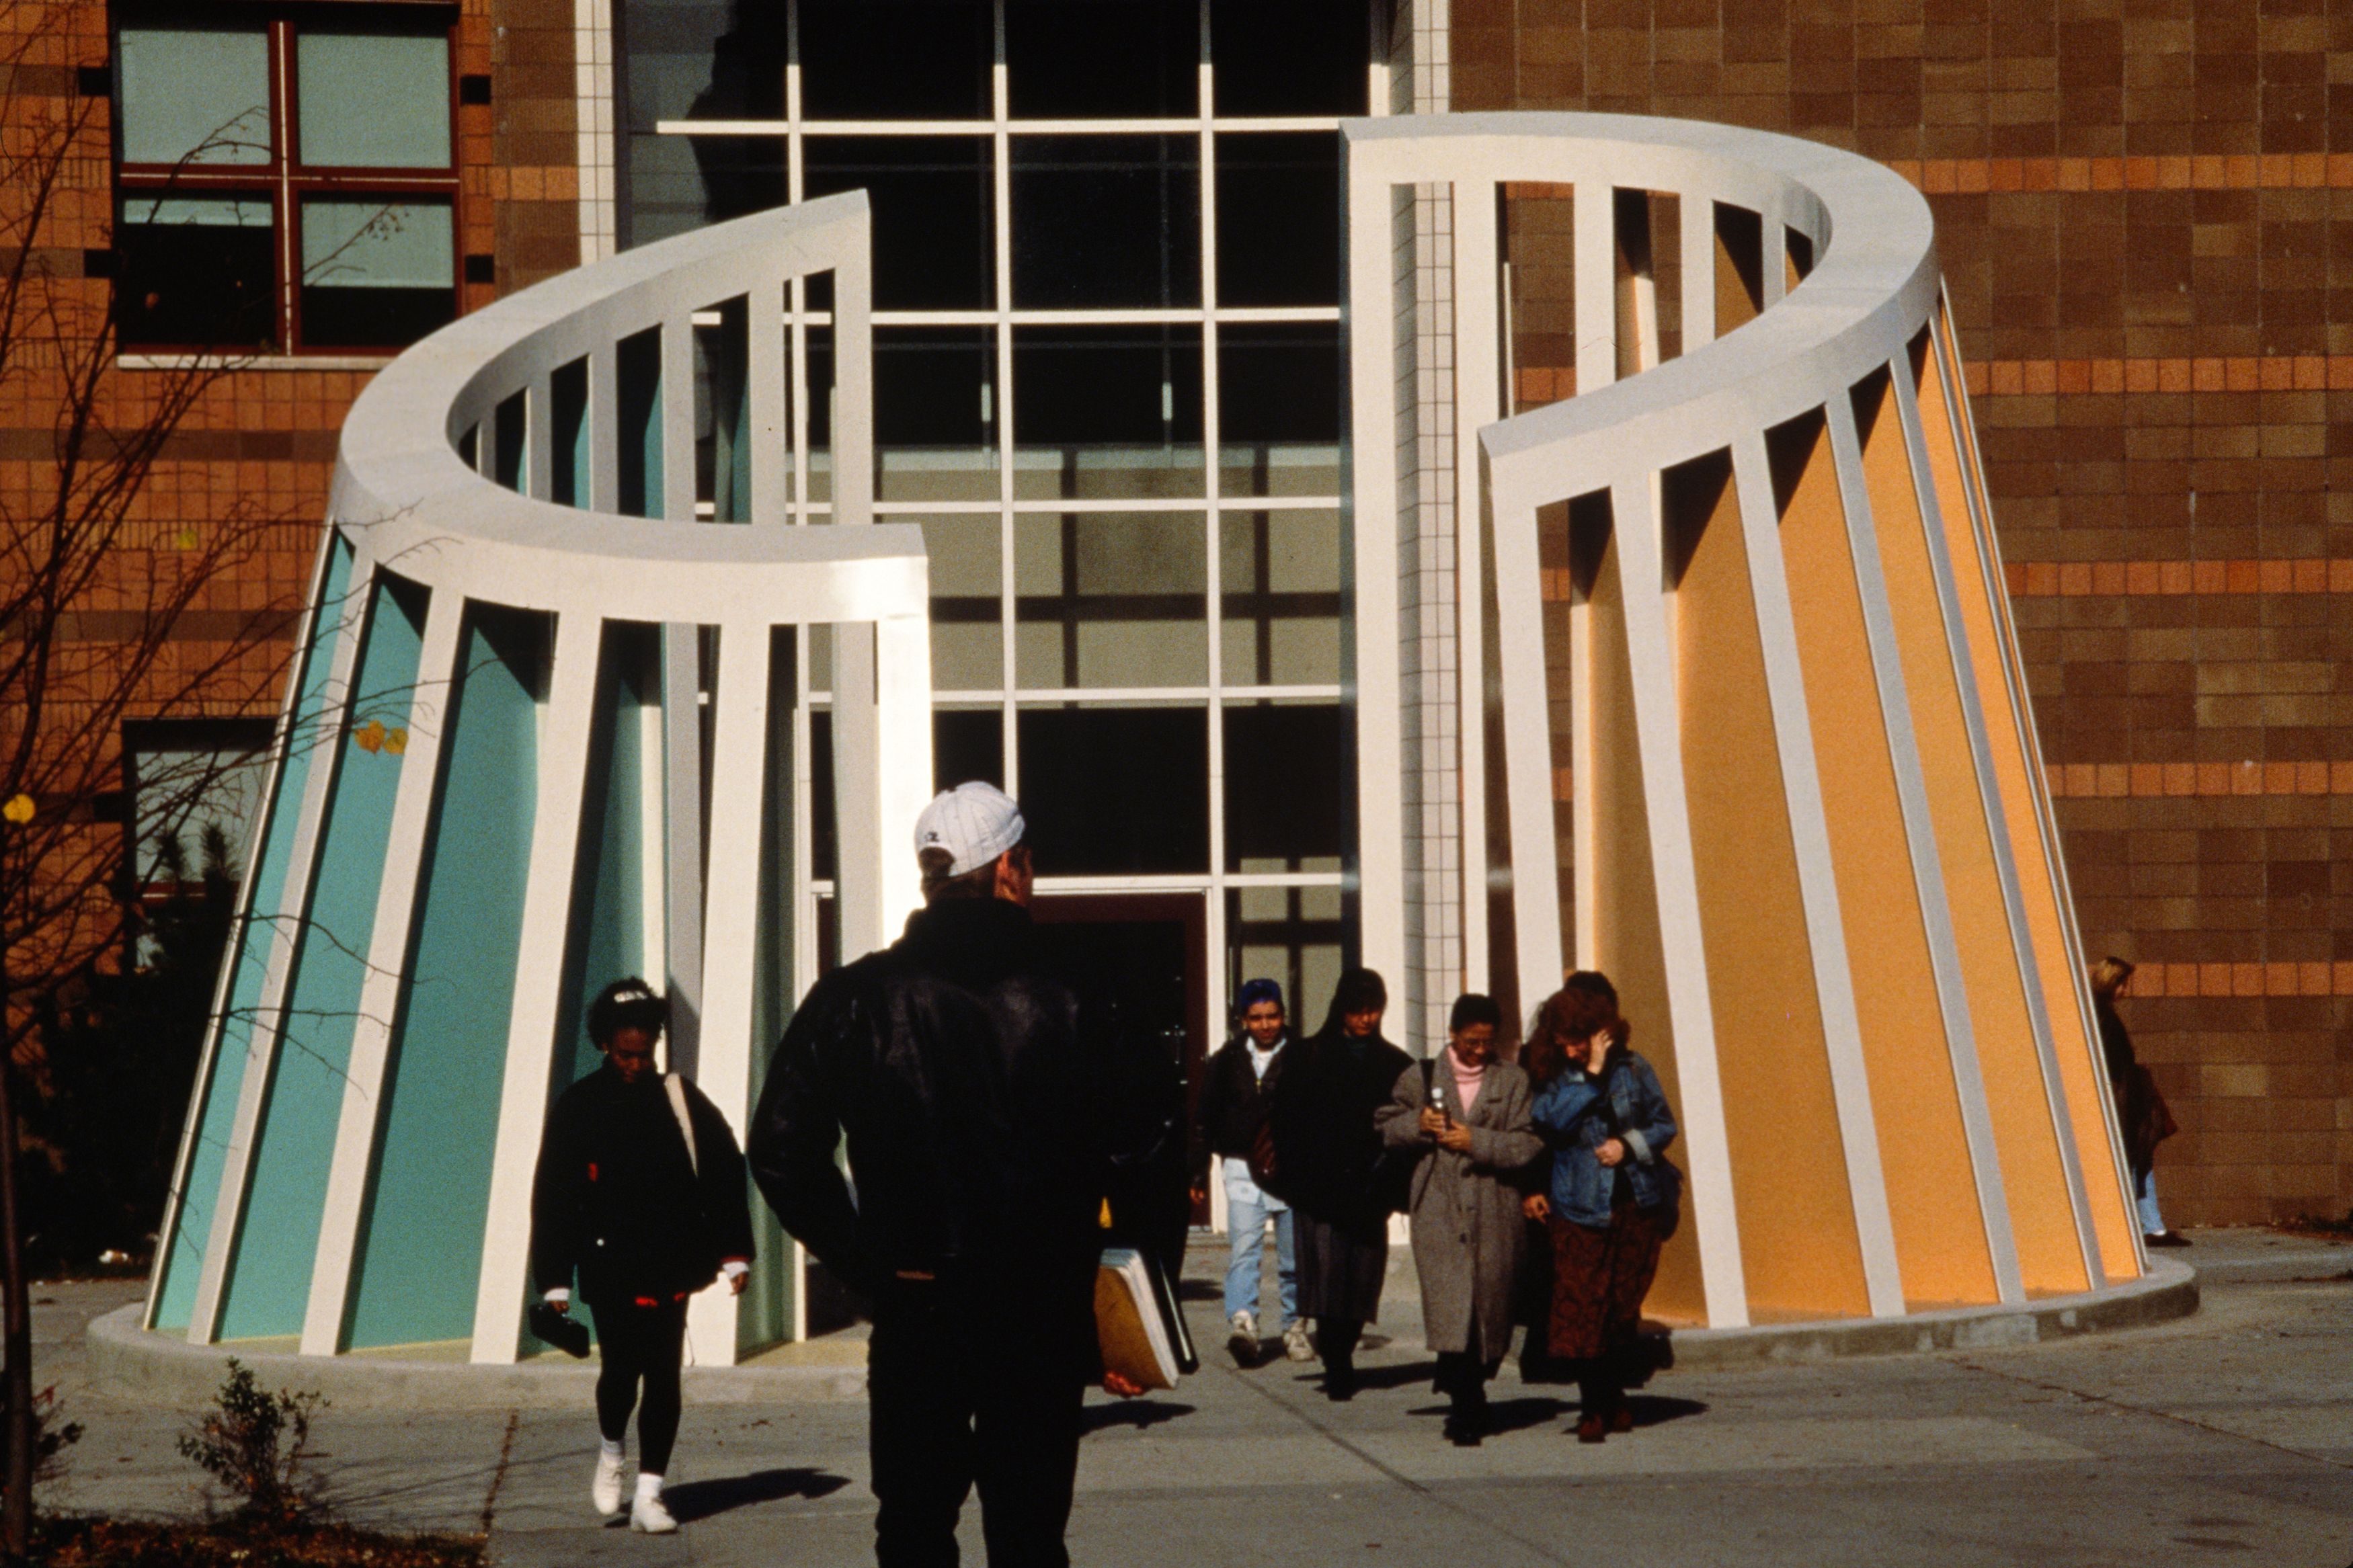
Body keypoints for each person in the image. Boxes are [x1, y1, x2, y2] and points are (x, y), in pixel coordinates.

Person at [746, 781, 1164, 1568]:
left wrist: (868, 1262)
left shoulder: (858, 994)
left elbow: (780, 1145)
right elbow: (1145, 1146)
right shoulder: (1083, 988)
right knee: (1030, 1532)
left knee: (911, 1526)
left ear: (932, 877)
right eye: (1029, 861)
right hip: (1039, 1307)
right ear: (1008, 868)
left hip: (917, 1302)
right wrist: (1127, 1314)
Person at [530, 978, 755, 1534]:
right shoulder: (579, 1105)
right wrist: (555, 1280)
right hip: (608, 1262)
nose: (637, 1063)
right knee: (620, 1370)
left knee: (663, 1372)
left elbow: (725, 1168)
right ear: (605, 1044)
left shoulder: (678, 1096)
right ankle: (612, 1451)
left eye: (646, 1052)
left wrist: (734, 1252)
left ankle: (651, 1492)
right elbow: (555, 1193)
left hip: (670, 1258)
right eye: (627, 1053)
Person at [1375, 993, 1542, 1445]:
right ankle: (1466, 1409)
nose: (1479, 1051)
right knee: (1455, 1313)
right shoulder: (1422, 1074)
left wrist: (1477, 1140)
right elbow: (1386, 1127)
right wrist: (1419, 1124)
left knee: (1492, 1310)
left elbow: (1528, 1143)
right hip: (1439, 1209)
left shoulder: (1513, 1080)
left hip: (1495, 1210)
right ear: (1453, 1034)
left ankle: (1467, 1385)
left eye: (1488, 1043)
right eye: (1471, 1042)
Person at [1527, 971, 1679, 1444]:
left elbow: (1663, 1124)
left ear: (1602, 1032)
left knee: (1619, 1310)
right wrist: (1589, 1072)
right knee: (1582, 1311)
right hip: (1578, 1207)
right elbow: (1549, 1121)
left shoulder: (1635, 1069)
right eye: (1564, 1040)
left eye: (1579, 1040)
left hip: (1635, 1203)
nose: (1570, 1048)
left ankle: (1614, 1397)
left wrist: (1628, 1145)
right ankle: (1593, 1405)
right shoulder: (1554, 1075)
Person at [1265, 967, 1411, 1401]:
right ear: (1341, 1009)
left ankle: (1343, 1351)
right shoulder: (1306, 1055)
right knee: (1328, 1281)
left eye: (1373, 1010)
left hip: (1370, 1190)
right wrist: (1296, 1182)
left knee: (1362, 1280)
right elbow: (1283, 1123)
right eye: (1357, 1010)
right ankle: (1337, 1362)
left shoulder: (1395, 1064)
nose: (1365, 1019)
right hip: (1319, 1191)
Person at [1191, 977, 1309, 1367]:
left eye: (1272, 1016)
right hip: (1241, 1168)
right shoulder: (1226, 1061)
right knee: (1244, 1251)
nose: (1265, 1025)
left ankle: (1295, 1327)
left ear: (1283, 1015)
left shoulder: (1303, 1057)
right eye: (1256, 1018)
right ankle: (1244, 1323)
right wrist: (1197, 1172)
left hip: (1292, 1170)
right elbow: (1205, 1119)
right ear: (1244, 1019)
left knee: (1294, 1259)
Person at [2091, 956, 2184, 1248]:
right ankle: (2144, 1226)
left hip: (2120, 1098)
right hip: (2118, 1100)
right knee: (2135, 1158)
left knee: (2138, 1158)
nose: (2126, 991)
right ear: (2113, 982)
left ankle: (2151, 1225)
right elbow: (2110, 1064)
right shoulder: (2103, 1016)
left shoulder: (2097, 1013)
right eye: (2123, 984)